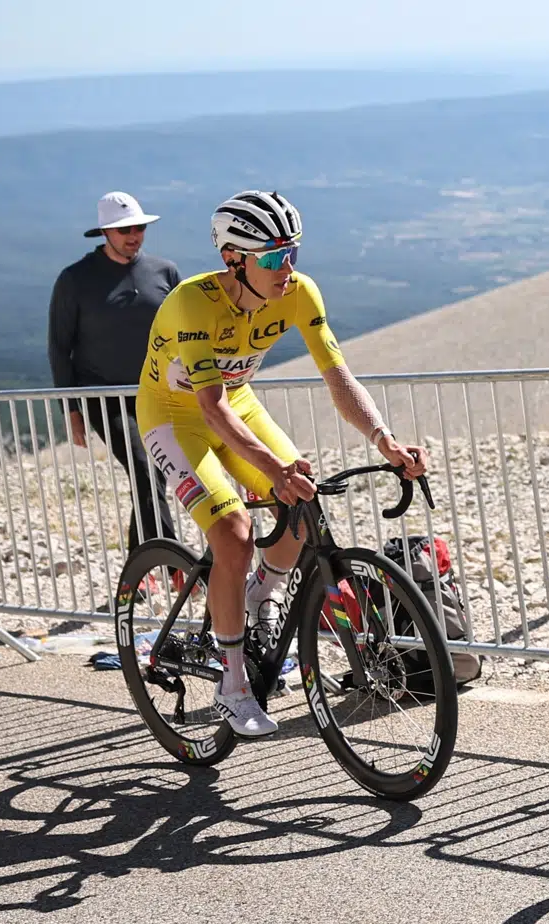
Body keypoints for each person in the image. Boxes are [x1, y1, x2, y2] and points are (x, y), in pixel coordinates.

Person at [136, 190, 427, 738]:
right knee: (233, 530)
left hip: (237, 404)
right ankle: (233, 684)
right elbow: (209, 406)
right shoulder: (190, 304)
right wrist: (272, 467)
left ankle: (259, 593)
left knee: (304, 497)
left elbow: (338, 377)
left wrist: (384, 440)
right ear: (233, 260)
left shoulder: (297, 293)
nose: (286, 268)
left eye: (291, 252)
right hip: (175, 417)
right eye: (271, 258)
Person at [49, 191, 179, 549]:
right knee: (145, 469)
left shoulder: (165, 272)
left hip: (159, 394)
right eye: (124, 229)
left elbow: (186, 332)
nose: (133, 235)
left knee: (158, 472)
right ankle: (170, 563)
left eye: (138, 227)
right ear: (105, 232)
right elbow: (60, 347)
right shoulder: (74, 280)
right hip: (104, 396)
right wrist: (71, 410)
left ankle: (138, 571)